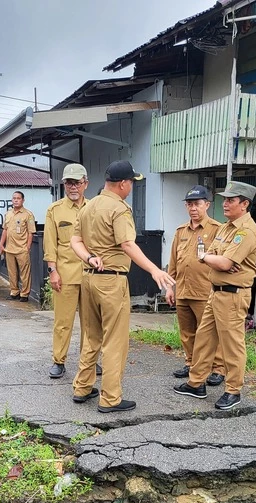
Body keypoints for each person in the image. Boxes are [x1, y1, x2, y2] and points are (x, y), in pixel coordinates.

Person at [70, 160, 175, 412]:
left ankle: (82, 387)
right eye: (131, 183)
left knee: (91, 336)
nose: (131, 188)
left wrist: (89, 258)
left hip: (88, 277)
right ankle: (110, 398)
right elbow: (127, 244)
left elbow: (75, 240)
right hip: (111, 281)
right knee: (114, 340)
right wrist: (154, 270)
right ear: (123, 184)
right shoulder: (119, 208)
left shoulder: (88, 206)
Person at [174, 180, 256, 411]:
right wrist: (213, 259)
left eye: (231, 200)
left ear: (244, 204)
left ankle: (233, 390)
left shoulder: (246, 232)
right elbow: (212, 255)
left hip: (233, 295)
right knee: (204, 338)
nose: (225, 204)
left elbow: (221, 262)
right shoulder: (225, 228)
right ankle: (196, 383)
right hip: (215, 292)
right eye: (225, 200)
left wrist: (212, 259)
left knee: (232, 345)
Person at [166, 185, 225, 386]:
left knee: (210, 332)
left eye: (197, 204)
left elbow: (223, 259)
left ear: (206, 205)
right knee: (187, 332)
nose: (193, 208)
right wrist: (169, 287)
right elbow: (173, 262)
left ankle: (217, 368)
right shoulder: (180, 231)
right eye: (189, 204)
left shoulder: (217, 229)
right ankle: (191, 363)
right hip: (183, 290)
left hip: (205, 290)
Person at [43, 163, 91, 379]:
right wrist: (52, 271)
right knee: (63, 322)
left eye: (77, 183)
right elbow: (50, 244)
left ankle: (88, 361)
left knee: (91, 323)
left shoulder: (94, 208)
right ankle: (59, 361)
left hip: (90, 274)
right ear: (64, 185)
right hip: (65, 274)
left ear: (85, 184)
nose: (73, 187)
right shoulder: (55, 210)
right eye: (69, 183)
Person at [0, 190, 35, 301]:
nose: (16, 200)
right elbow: (5, 230)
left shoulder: (28, 215)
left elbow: (31, 232)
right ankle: (14, 292)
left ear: (23, 200)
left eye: (18, 198)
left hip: (22, 248)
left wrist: (27, 247)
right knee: (12, 272)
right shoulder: (8, 213)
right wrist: (1, 244)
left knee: (25, 273)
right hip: (9, 248)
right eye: (14, 198)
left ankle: (24, 294)